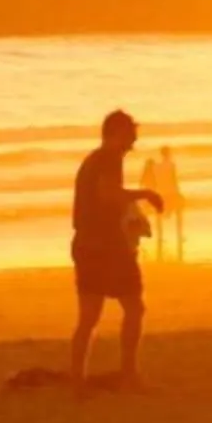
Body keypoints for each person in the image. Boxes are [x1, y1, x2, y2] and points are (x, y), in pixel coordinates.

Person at [69, 110, 164, 391]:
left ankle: (78, 380)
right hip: (105, 245)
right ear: (116, 133)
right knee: (134, 308)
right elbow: (109, 194)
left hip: (87, 243)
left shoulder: (94, 159)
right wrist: (145, 194)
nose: (133, 143)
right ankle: (129, 374)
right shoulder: (108, 158)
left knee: (89, 317)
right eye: (130, 136)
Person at [142, 145, 185, 260]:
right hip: (171, 192)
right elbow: (174, 180)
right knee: (179, 212)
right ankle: (179, 233)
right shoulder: (171, 165)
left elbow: (155, 181)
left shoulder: (157, 166)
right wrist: (178, 192)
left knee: (159, 215)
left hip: (161, 193)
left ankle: (160, 235)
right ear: (169, 154)